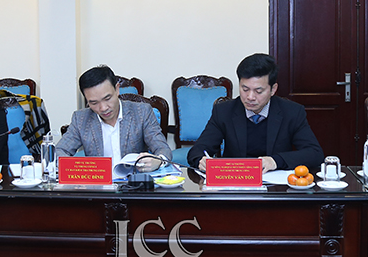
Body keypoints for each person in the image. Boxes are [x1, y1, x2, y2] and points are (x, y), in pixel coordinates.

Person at [187, 53, 323, 172]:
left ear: (273, 89)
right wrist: (201, 160)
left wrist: (275, 161)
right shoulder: (224, 111)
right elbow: (197, 151)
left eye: (258, 91)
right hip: (236, 184)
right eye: (245, 89)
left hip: (275, 186)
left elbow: (315, 153)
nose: (250, 97)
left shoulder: (292, 112)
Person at [57, 66, 171, 169]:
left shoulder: (141, 112)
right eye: (94, 103)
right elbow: (60, 150)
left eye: (107, 98)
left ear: (117, 89)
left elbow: (163, 149)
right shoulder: (81, 119)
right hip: (98, 182)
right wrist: (77, 167)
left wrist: (159, 161)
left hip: (133, 181)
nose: (103, 108)